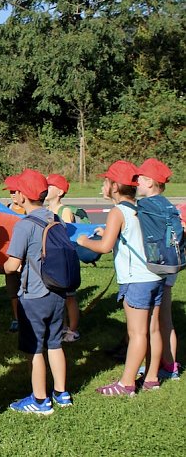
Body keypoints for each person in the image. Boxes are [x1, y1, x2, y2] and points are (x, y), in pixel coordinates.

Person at [77, 160, 164, 395]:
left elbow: (105, 247)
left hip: (136, 280)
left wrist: (83, 241)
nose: (103, 185)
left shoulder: (118, 211)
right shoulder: (143, 208)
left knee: (137, 333)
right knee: (153, 330)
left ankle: (126, 383)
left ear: (115, 186)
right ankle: (152, 377)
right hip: (155, 276)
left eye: (106, 181)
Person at [3, 169, 72, 414]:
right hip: (57, 292)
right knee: (55, 344)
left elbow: (12, 265)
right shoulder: (56, 219)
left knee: (35, 348)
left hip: (33, 294)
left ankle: (40, 400)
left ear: (22, 195)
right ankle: (62, 393)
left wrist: (3, 265)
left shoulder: (25, 225)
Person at [135, 158, 179, 380]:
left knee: (154, 322)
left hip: (155, 267)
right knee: (167, 320)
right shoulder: (167, 204)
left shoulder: (145, 206)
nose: (136, 183)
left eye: (140, 179)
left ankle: (157, 366)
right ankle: (171, 366)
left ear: (150, 182)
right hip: (171, 265)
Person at [45, 174, 80, 343]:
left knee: (70, 296)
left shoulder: (64, 211)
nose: (46, 189)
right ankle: (62, 326)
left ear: (59, 192)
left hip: (64, 259)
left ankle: (73, 329)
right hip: (52, 258)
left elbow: (64, 235)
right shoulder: (46, 210)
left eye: (49, 186)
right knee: (59, 295)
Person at [3, 175, 25, 333]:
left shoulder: (28, 208)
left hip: (25, 257)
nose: (12, 194)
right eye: (9, 191)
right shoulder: (7, 207)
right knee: (13, 290)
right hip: (11, 254)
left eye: (14, 190)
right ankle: (17, 318)